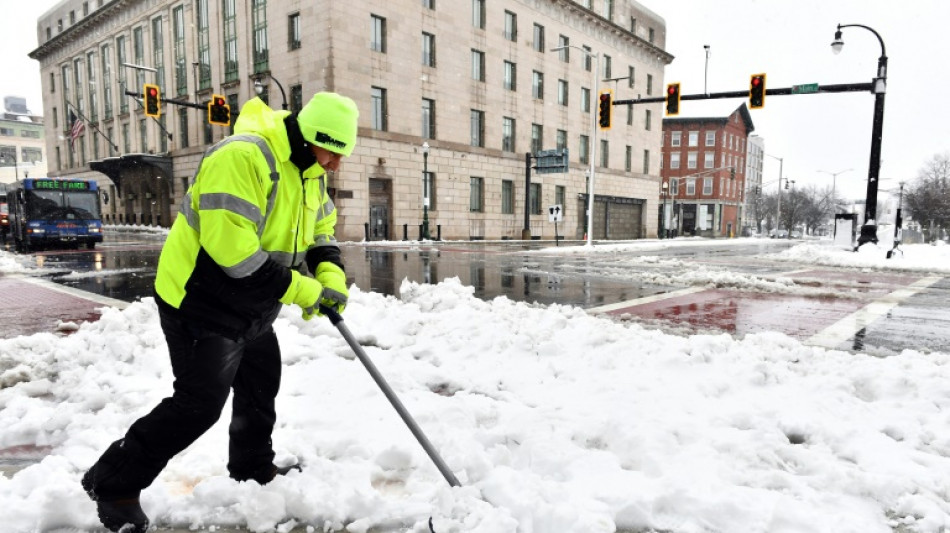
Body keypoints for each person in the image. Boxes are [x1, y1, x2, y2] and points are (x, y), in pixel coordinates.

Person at [80, 92, 358, 532]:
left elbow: (322, 230)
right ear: (308, 139)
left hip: (253, 301)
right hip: (201, 299)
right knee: (199, 404)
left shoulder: (310, 172)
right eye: (332, 152)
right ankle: (113, 482)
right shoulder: (243, 158)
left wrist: (332, 277)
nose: (336, 165)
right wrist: (306, 291)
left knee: (261, 381)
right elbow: (236, 256)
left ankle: (251, 468)